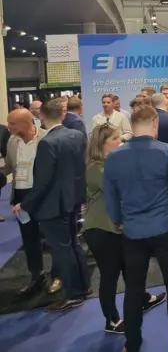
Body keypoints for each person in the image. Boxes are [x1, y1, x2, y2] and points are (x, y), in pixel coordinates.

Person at [103, 106, 168, 352]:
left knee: (133, 289)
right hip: (166, 228)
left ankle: (132, 345)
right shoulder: (166, 152)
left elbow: (110, 199)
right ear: (155, 123)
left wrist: (119, 221)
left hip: (132, 231)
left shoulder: (114, 157)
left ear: (132, 125)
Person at [83, 124, 165, 333]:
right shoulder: (96, 168)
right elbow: (122, 190)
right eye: (115, 139)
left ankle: (143, 299)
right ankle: (111, 320)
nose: (120, 142)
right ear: (102, 143)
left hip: (118, 228)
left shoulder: (111, 164)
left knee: (130, 268)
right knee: (110, 275)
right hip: (101, 230)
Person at [12, 99, 90, 312]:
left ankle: (73, 294)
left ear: (41, 117)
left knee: (62, 250)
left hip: (53, 206)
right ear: (62, 115)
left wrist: (25, 205)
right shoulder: (76, 135)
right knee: (73, 245)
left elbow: (43, 181)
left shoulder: (47, 142)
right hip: (72, 200)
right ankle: (84, 287)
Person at [5, 109, 60, 295]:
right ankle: (36, 276)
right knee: (29, 239)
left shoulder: (47, 138)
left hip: (44, 196)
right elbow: (9, 166)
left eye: (12, 123)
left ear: (26, 123)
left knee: (52, 238)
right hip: (21, 198)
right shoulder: (12, 141)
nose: (8, 127)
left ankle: (58, 276)